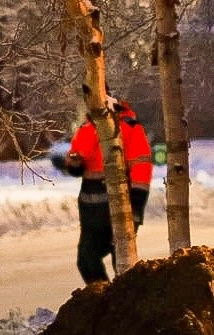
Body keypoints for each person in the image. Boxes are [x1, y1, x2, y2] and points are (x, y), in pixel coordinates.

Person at [65, 98, 152, 282]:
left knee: (123, 265)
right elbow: (78, 164)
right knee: (86, 261)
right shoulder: (86, 129)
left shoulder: (129, 128)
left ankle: (123, 304)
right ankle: (102, 300)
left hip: (120, 211)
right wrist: (74, 164)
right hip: (91, 215)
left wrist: (135, 208)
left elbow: (141, 168)